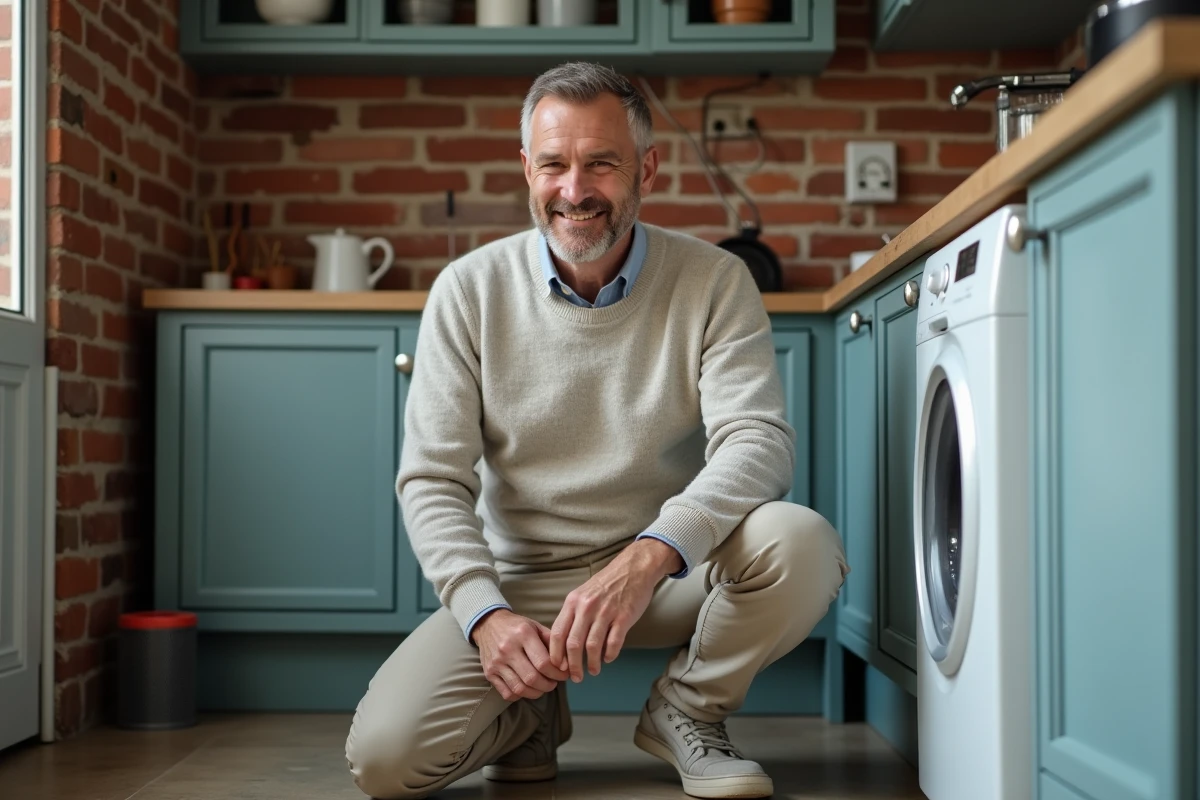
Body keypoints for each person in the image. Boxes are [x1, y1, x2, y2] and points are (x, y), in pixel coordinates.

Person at [344, 61, 849, 800]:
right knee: (386, 762)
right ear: (527, 169)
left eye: (602, 164)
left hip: (667, 573)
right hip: (522, 585)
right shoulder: (468, 290)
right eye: (554, 164)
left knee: (800, 542)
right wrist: (485, 616)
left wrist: (647, 557)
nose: (574, 190)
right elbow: (432, 480)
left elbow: (758, 441)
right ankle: (528, 712)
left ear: (648, 168)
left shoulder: (715, 280)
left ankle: (688, 709)